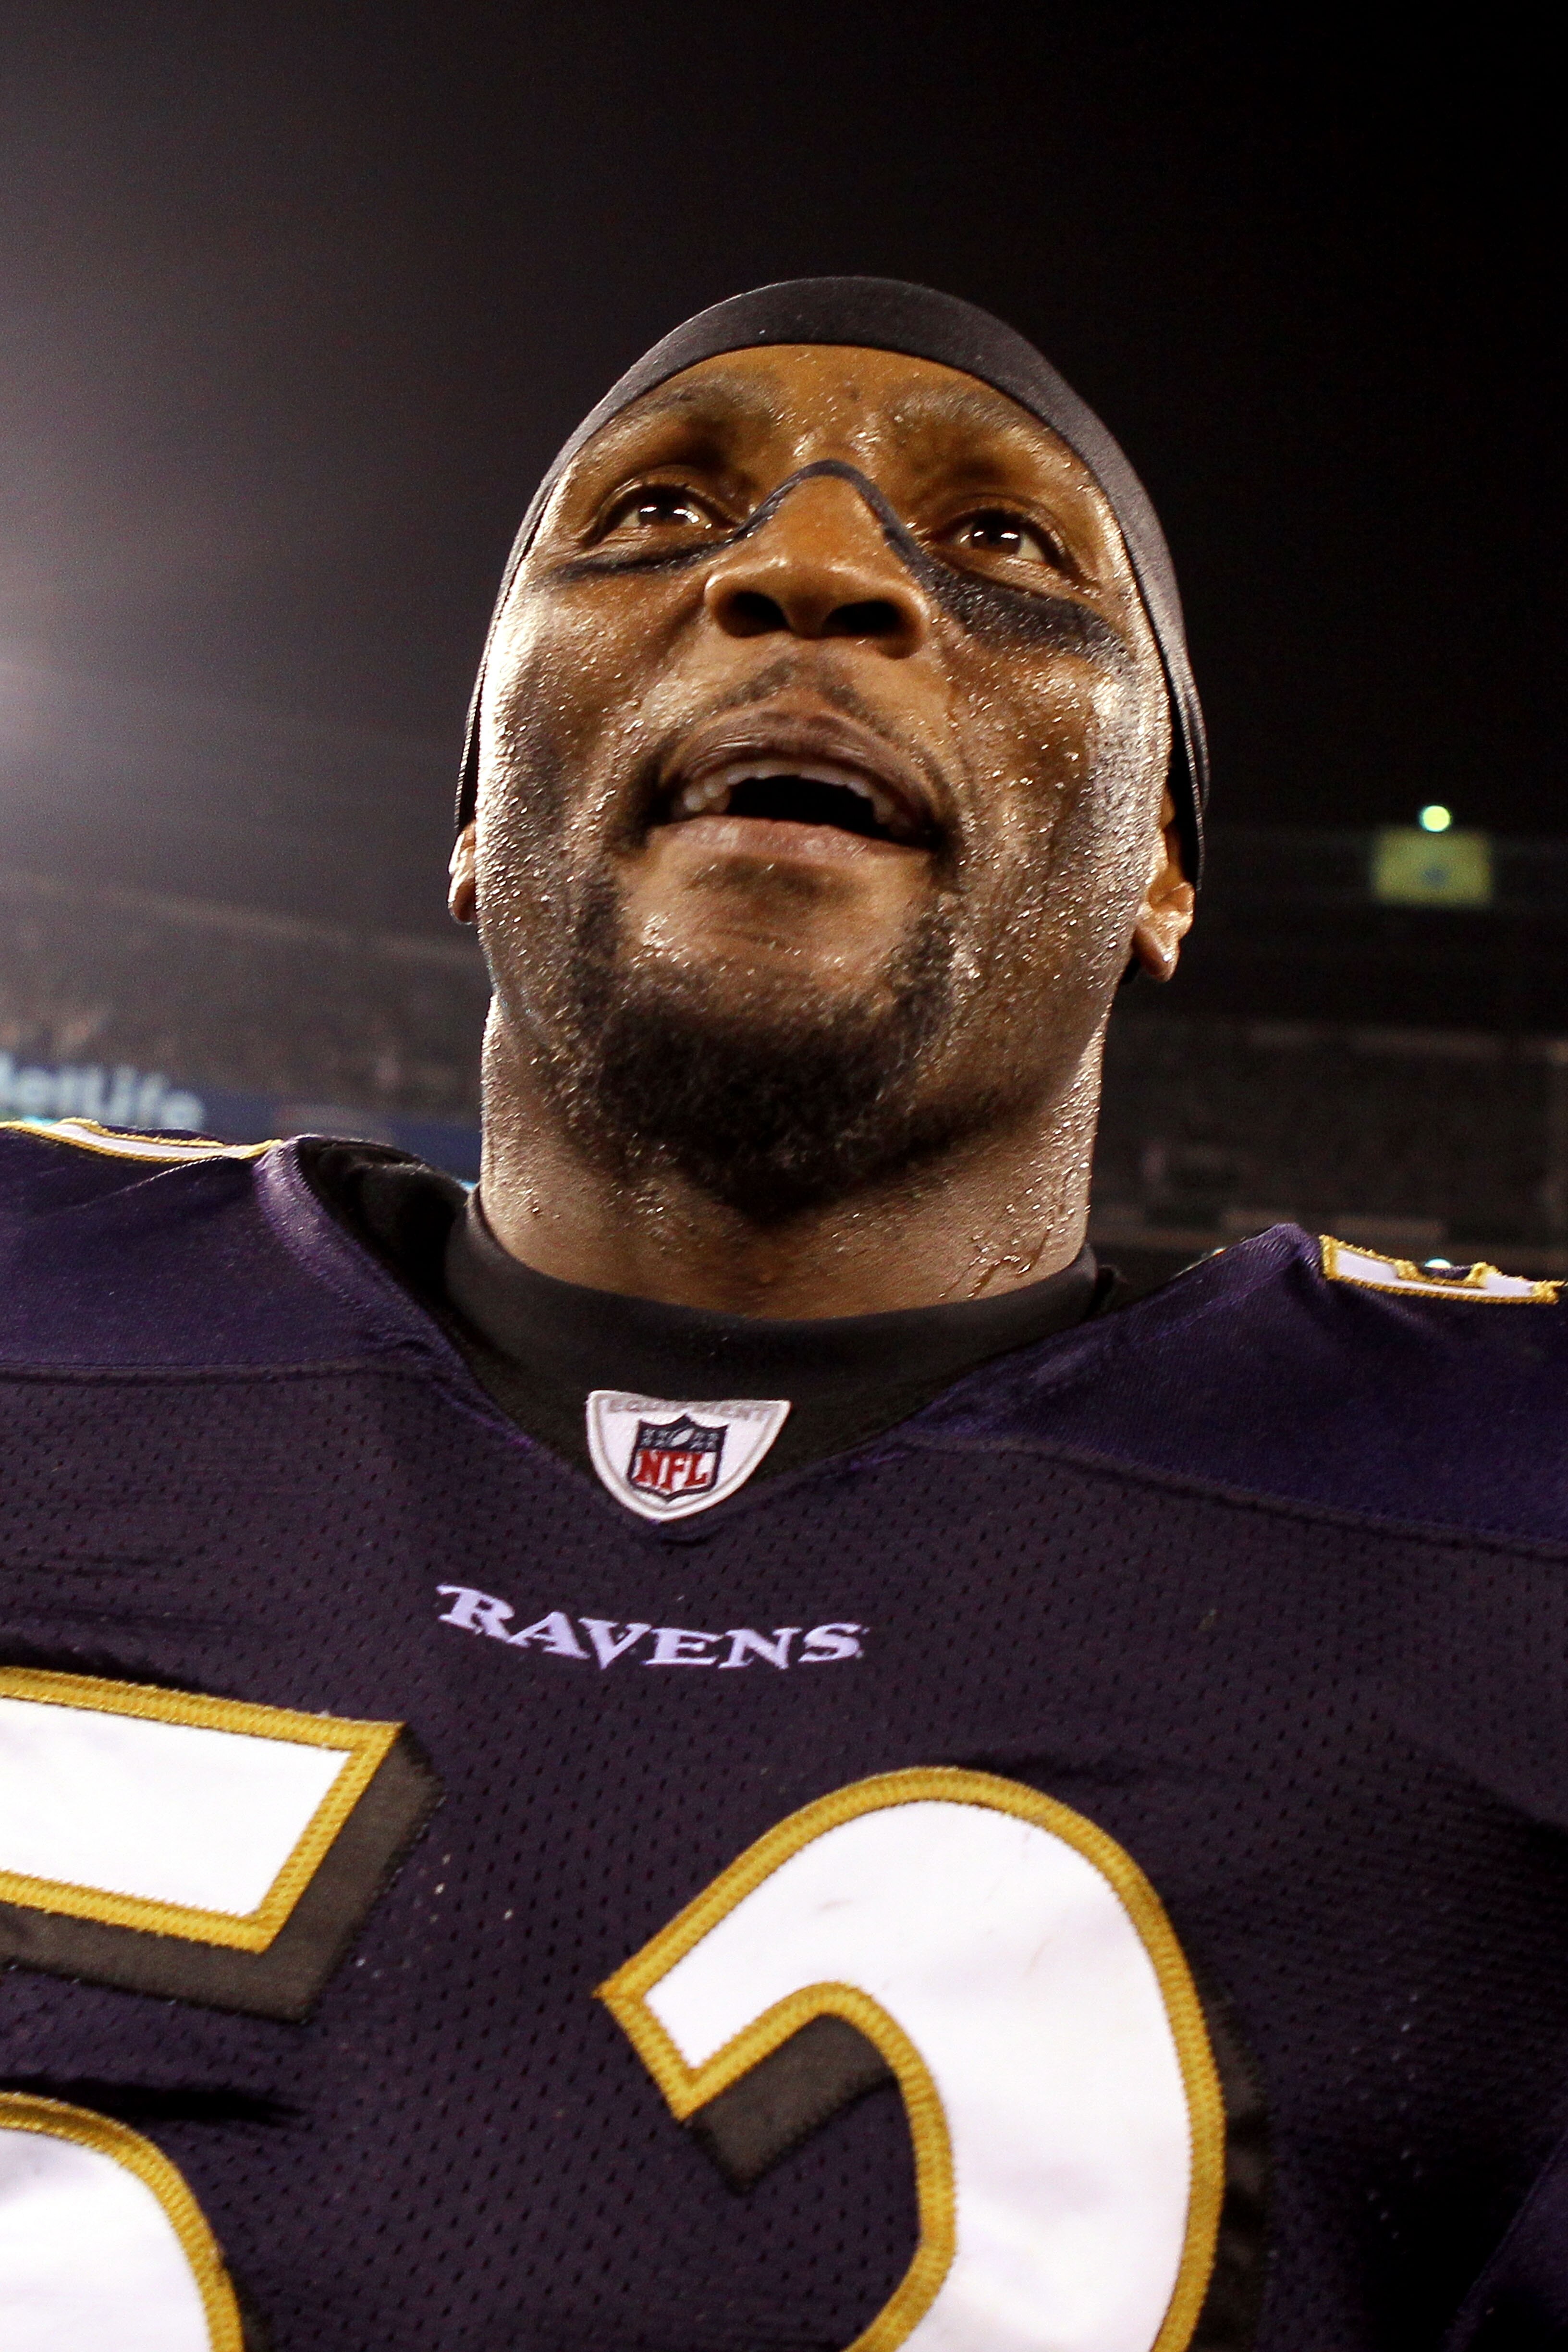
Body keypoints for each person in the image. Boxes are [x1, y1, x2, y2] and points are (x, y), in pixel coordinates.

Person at [0, 278, 1560, 2352]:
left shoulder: (1501, 1507)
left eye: (1001, 545)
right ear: (474, 814)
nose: (810, 568)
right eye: (649, 516)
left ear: (1167, 865)